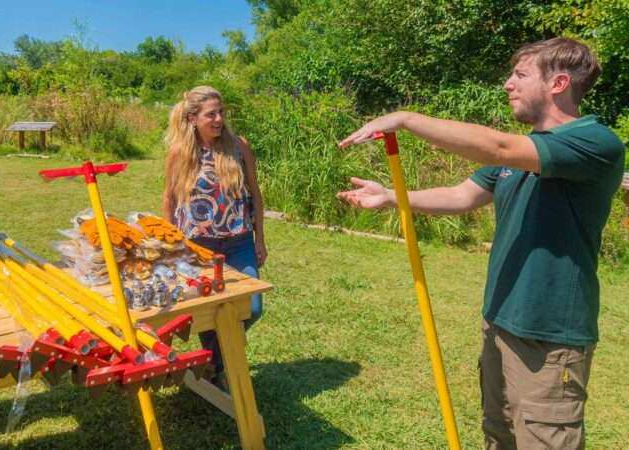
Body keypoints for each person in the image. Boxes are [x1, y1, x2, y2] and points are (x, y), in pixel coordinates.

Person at [337, 37, 624, 449]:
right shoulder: (519, 157)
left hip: (550, 336)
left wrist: (405, 118)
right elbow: (461, 195)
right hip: (500, 320)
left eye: (520, 75)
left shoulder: (594, 142)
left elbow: (498, 145)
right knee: (498, 433)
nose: (508, 84)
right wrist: (390, 197)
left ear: (558, 83)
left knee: (545, 440)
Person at [162, 86, 266, 385]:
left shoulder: (239, 146)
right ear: (193, 118)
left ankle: (210, 361)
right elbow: (168, 201)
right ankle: (217, 368)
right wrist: (170, 245)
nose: (219, 119)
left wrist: (260, 239)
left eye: (221, 112)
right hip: (198, 247)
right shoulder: (180, 153)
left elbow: (255, 196)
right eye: (212, 114)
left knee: (253, 307)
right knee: (208, 312)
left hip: (239, 241)